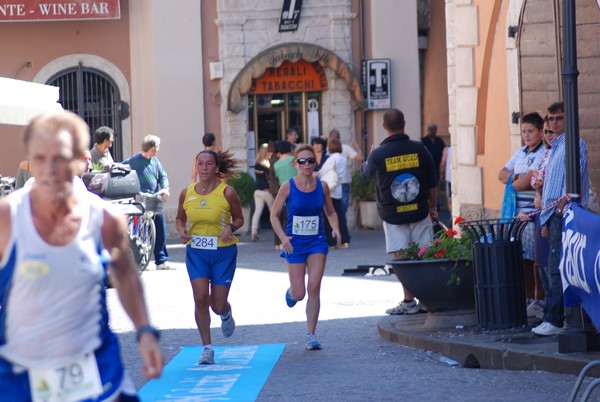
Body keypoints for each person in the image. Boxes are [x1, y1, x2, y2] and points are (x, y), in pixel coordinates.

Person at [0, 111, 163, 400]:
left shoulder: (104, 218)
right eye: (40, 158)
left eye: (60, 158)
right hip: (21, 371)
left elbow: (125, 274)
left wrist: (145, 331)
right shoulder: (8, 218)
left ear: (79, 160)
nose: (49, 168)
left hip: (93, 365)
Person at [361, 108, 438, 315]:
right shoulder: (420, 148)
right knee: (425, 254)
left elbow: (366, 173)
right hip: (420, 211)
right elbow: (432, 181)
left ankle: (408, 301)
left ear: (384, 126)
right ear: (404, 123)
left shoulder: (379, 153)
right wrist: (432, 207)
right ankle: (428, 300)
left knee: (401, 258)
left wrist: (370, 157)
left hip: (393, 214)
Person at [175, 149, 244, 365]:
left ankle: (226, 312)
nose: (204, 168)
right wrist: (182, 231)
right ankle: (207, 348)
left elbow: (240, 218)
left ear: (216, 168)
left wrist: (230, 228)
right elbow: (179, 217)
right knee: (200, 297)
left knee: (217, 304)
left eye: (208, 164)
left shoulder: (227, 193)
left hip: (223, 253)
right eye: (200, 164)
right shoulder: (187, 193)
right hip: (196, 253)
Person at [270, 144, 341, 350]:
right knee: (300, 293)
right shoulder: (287, 186)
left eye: (310, 160)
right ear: (296, 164)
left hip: (317, 241)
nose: (307, 164)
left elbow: (330, 211)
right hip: (294, 243)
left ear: (315, 163)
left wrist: (335, 228)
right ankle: (291, 292)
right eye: (302, 161)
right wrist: (283, 238)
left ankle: (311, 334)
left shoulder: (322, 186)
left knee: (314, 286)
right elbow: (273, 215)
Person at [534, 101, 589, 336]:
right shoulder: (555, 146)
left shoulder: (575, 144)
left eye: (559, 118)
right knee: (551, 266)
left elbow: (573, 183)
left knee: (558, 267)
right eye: (551, 118)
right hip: (551, 214)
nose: (554, 122)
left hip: (563, 214)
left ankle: (555, 319)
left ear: (569, 119)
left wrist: (558, 212)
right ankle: (554, 316)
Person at [498, 112, 546, 312]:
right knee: (523, 257)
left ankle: (540, 299)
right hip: (515, 215)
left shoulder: (543, 152)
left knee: (536, 258)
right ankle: (528, 298)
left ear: (541, 132)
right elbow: (501, 174)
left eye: (531, 131)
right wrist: (517, 177)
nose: (526, 135)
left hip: (532, 215)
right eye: (524, 131)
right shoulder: (520, 152)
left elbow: (526, 183)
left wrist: (515, 179)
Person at [123, 135, 172, 270]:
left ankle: (161, 260)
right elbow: (120, 170)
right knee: (140, 230)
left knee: (160, 227)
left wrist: (165, 188)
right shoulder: (133, 161)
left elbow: (163, 176)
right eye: (157, 147)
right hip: (140, 200)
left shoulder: (155, 161)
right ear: (152, 148)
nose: (158, 149)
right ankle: (143, 259)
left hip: (154, 198)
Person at [318, 138, 350, 248]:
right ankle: (344, 240)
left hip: (329, 189)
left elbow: (322, 171)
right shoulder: (343, 158)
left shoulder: (331, 159)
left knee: (329, 215)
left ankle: (331, 242)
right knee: (340, 215)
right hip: (338, 188)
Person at [328, 129, 364, 215]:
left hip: (331, 182)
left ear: (329, 138)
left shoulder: (327, 149)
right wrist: (356, 146)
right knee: (343, 208)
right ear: (339, 138)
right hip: (344, 180)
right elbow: (360, 158)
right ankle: (342, 224)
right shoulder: (345, 147)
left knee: (331, 207)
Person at [273, 140, 297, 251]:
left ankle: (279, 242)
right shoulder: (294, 160)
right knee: (291, 215)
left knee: (279, 216)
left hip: (282, 190)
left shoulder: (276, 164)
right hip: (295, 188)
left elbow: (277, 178)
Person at [250, 143, 274, 242]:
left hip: (257, 191)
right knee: (274, 212)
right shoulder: (267, 164)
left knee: (257, 212)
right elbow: (270, 179)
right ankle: (278, 233)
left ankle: (253, 232)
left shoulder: (256, 164)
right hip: (266, 191)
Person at [439, 145, 452, 213]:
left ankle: (453, 216)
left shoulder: (447, 149)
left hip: (450, 177)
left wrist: (441, 174)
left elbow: (443, 163)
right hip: (459, 178)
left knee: (449, 199)